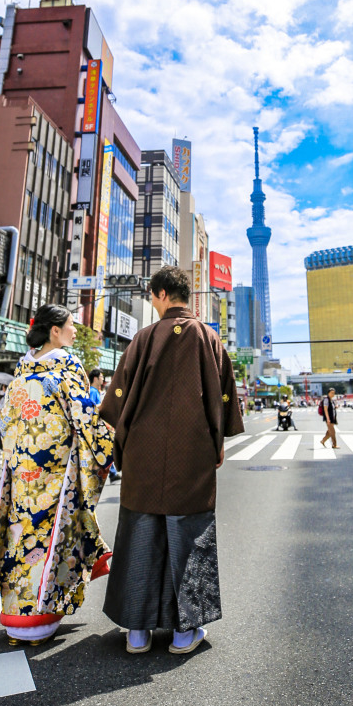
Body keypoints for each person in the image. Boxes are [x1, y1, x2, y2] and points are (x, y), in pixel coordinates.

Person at [99, 266, 243, 656]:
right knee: (189, 535)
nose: (152, 301)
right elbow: (223, 397)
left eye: (152, 296)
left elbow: (118, 398)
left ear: (161, 294)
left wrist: (125, 440)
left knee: (140, 535)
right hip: (191, 452)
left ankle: (137, 632)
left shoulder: (143, 338)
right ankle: (184, 633)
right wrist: (216, 443)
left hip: (143, 454)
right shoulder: (208, 337)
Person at [0, 304, 113, 645]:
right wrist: (111, 441)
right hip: (56, 470)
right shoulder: (67, 365)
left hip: (23, 469)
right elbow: (85, 418)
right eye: (71, 325)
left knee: (20, 534)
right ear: (55, 330)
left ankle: (16, 613)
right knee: (53, 534)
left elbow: (7, 422)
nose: (74, 330)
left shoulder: (22, 369)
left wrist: (19, 455)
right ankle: (41, 612)